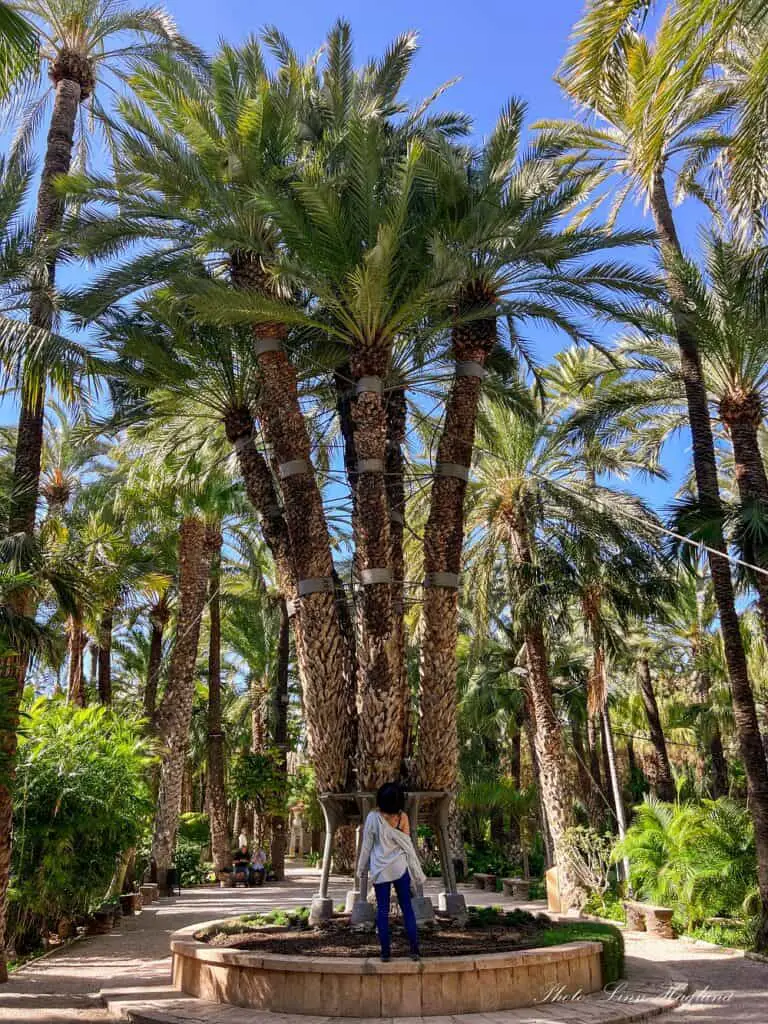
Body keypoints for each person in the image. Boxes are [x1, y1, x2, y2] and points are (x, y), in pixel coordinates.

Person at [356, 782, 424, 963]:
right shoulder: (403, 818)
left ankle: (385, 953)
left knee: (383, 911)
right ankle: (414, 950)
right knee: (407, 908)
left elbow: (366, 847)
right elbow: (406, 843)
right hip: (400, 868)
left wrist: (361, 868)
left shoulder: (372, 817)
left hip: (380, 870)